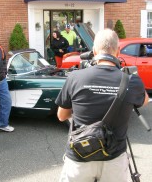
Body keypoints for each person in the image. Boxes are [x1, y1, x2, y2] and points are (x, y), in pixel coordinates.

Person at [55, 28, 149, 182]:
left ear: (94, 50)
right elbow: (144, 101)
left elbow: (61, 116)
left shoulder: (75, 77)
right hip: (114, 159)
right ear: (118, 51)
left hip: (80, 156)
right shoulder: (131, 81)